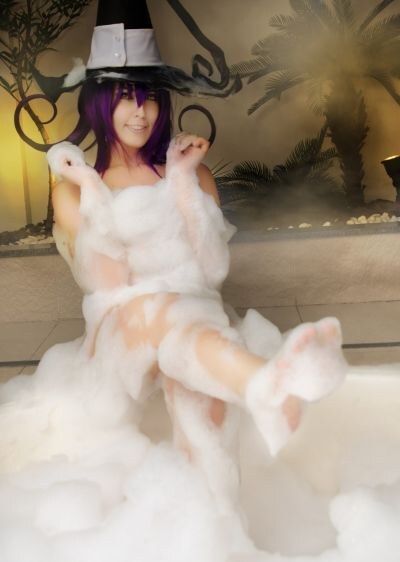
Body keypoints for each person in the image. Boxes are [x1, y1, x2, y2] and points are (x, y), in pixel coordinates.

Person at [43, 74, 347, 513]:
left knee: (199, 396)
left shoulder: (192, 172)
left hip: (191, 319)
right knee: (161, 311)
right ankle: (262, 384)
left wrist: (183, 181)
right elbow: (112, 280)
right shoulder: (73, 188)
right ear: (98, 105)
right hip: (122, 330)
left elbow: (210, 271)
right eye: (126, 98)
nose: (141, 112)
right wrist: (91, 187)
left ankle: (219, 527)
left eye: (151, 99)